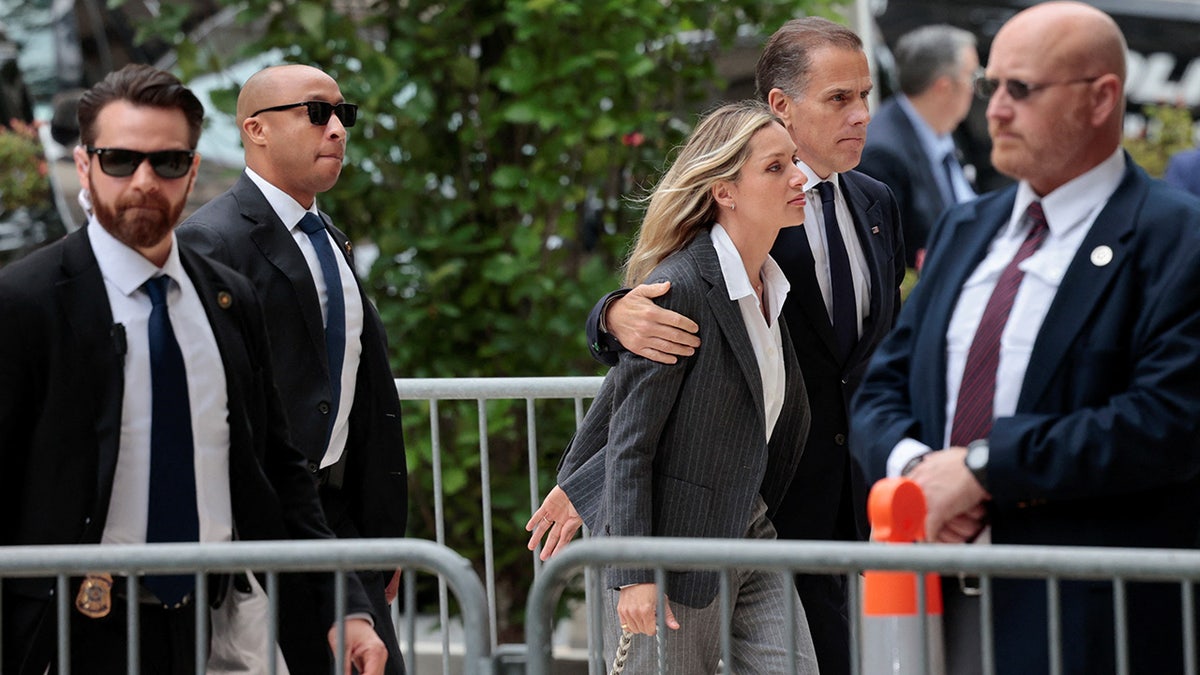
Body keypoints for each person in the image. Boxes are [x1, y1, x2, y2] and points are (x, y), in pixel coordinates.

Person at [529, 16, 904, 675]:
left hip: (824, 502)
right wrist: (610, 318)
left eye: (865, 96)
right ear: (783, 106)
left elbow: (877, 350)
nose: (862, 115)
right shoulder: (738, 231)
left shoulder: (873, 206)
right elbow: (643, 379)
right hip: (728, 510)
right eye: (840, 97)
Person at [0, 64, 387, 675]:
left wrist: (342, 606)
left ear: (193, 168)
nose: (144, 181)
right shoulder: (27, 302)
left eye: (168, 162)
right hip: (73, 629)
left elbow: (278, 471)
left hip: (210, 623)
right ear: (84, 166)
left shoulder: (226, 298)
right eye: (119, 160)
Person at [849, 3, 1200, 673]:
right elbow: (883, 385)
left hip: (1089, 621)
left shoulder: (1176, 239)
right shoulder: (965, 229)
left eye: (1022, 89)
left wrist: (983, 471)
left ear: (1102, 98)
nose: (997, 110)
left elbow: (1165, 422)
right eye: (991, 86)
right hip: (931, 607)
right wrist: (921, 477)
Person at [552, 100, 818, 673]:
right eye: (776, 167)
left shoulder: (770, 285)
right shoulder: (680, 287)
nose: (799, 177)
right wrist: (634, 571)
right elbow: (631, 442)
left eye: (795, 161)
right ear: (725, 191)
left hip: (749, 523)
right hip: (671, 541)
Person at [177, 64, 408, 674]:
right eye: (316, 113)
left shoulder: (328, 235)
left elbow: (363, 391)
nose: (337, 129)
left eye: (343, 114)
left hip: (343, 521)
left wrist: (383, 531)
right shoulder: (212, 240)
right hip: (269, 526)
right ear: (255, 129)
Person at [858, 24, 978, 269]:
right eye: (972, 77)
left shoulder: (940, 125)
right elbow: (890, 258)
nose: (976, 89)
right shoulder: (883, 155)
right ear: (944, 87)